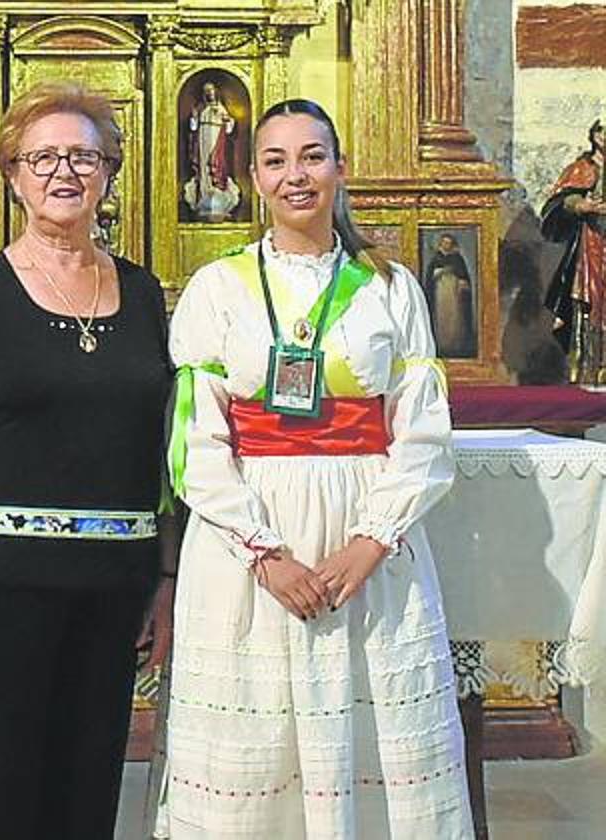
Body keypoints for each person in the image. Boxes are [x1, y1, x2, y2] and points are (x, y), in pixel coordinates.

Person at [158, 99, 472, 838]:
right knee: (255, 746)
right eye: (275, 160)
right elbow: (193, 441)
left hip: (365, 544)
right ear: (251, 178)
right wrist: (263, 553)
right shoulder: (217, 287)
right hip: (250, 546)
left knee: (371, 737)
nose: (295, 175)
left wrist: (370, 542)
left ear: (339, 168)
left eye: (311, 156)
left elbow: (423, 430)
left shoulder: (391, 286)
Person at [0, 81, 176, 840]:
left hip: (111, 593)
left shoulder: (146, 296)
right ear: (13, 175)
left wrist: (166, 581)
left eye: (84, 157)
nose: (65, 173)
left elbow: (165, 459)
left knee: (86, 800)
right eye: (43, 156)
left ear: (110, 174)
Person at [541, 117, 606, 384]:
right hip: (592, 244)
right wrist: (580, 205)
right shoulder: (582, 168)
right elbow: (561, 201)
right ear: (596, 137)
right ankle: (589, 368)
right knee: (590, 300)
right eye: (603, 132)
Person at [183, 80, 241, 221]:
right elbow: (193, 128)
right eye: (206, 91)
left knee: (216, 163)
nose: (209, 93)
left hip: (217, 138)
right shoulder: (202, 108)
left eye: (211, 90)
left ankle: (217, 191)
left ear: (216, 92)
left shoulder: (220, 109)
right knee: (204, 167)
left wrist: (227, 120)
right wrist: (195, 118)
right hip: (203, 139)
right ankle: (204, 193)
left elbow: (229, 126)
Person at [423, 233, 476, 358]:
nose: (446, 245)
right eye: (444, 243)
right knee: (442, 319)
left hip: (454, 295)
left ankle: (456, 345)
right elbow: (430, 279)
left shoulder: (457, 258)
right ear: (440, 244)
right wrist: (440, 272)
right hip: (440, 294)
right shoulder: (436, 259)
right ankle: (442, 344)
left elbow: (464, 277)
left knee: (455, 320)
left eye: (449, 243)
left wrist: (461, 282)